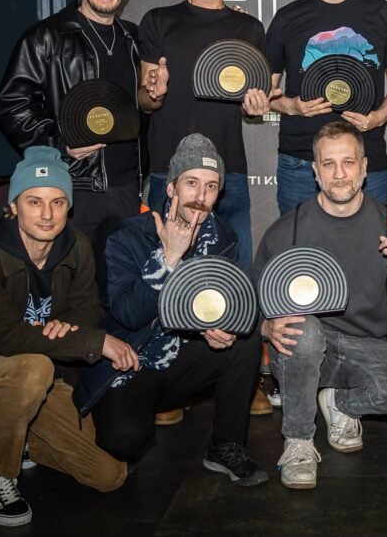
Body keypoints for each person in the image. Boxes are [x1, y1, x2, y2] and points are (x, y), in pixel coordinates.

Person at [0, 146, 134, 527]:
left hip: (48, 378)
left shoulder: (76, 246)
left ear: (68, 207)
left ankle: (20, 436)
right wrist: (93, 341)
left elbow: (88, 310)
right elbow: (9, 338)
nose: (47, 214)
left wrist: (71, 327)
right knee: (32, 366)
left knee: (109, 475)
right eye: (34, 202)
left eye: (57, 202)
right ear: (14, 206)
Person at [74, 134, 268, 486]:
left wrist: (217, 326)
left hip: (182, 358)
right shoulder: (128, 235)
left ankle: (226, 446)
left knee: (246, 336)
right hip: (131, 361)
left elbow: (226, 303)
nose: (200, 196)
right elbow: (129, 315)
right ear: (171, 188)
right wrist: (169, 258)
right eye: (191, 183)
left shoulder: (223, 238)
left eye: (211, 186)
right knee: (124, 440)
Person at [256, 121, 387, 490]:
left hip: (363, 348)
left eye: (348, 162)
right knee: (303, 328)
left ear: (364, 168)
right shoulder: (286, 231)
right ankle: (298, 440)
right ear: (315, 171)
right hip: (304, 351)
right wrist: (265, 327)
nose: (339, 174)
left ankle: (341, 403)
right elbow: (252, 304)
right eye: (329, 164)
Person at [0, 0, 142, 290]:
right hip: (72, 185)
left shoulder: (134, 38)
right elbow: (11, 105)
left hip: (126, 186)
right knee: (70, 286)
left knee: (119, 285)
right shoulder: (46, 37)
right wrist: (60, 144)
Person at [138, 0, 273, 272]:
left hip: (228, 173)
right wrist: (153, 92)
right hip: (168, 170)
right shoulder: (157, 21)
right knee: (162, 271)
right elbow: (145, 101)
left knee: (234, 275)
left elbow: (253, 108)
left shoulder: (250, 29)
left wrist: (256, 108)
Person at [266, 0, 387, 214]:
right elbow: (264, 91)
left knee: (371, 241)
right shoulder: (287, 17)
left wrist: (378, 117)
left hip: (365, 159)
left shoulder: (382, 13)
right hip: (301, 161)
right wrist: (292, 106)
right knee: (297, 242)